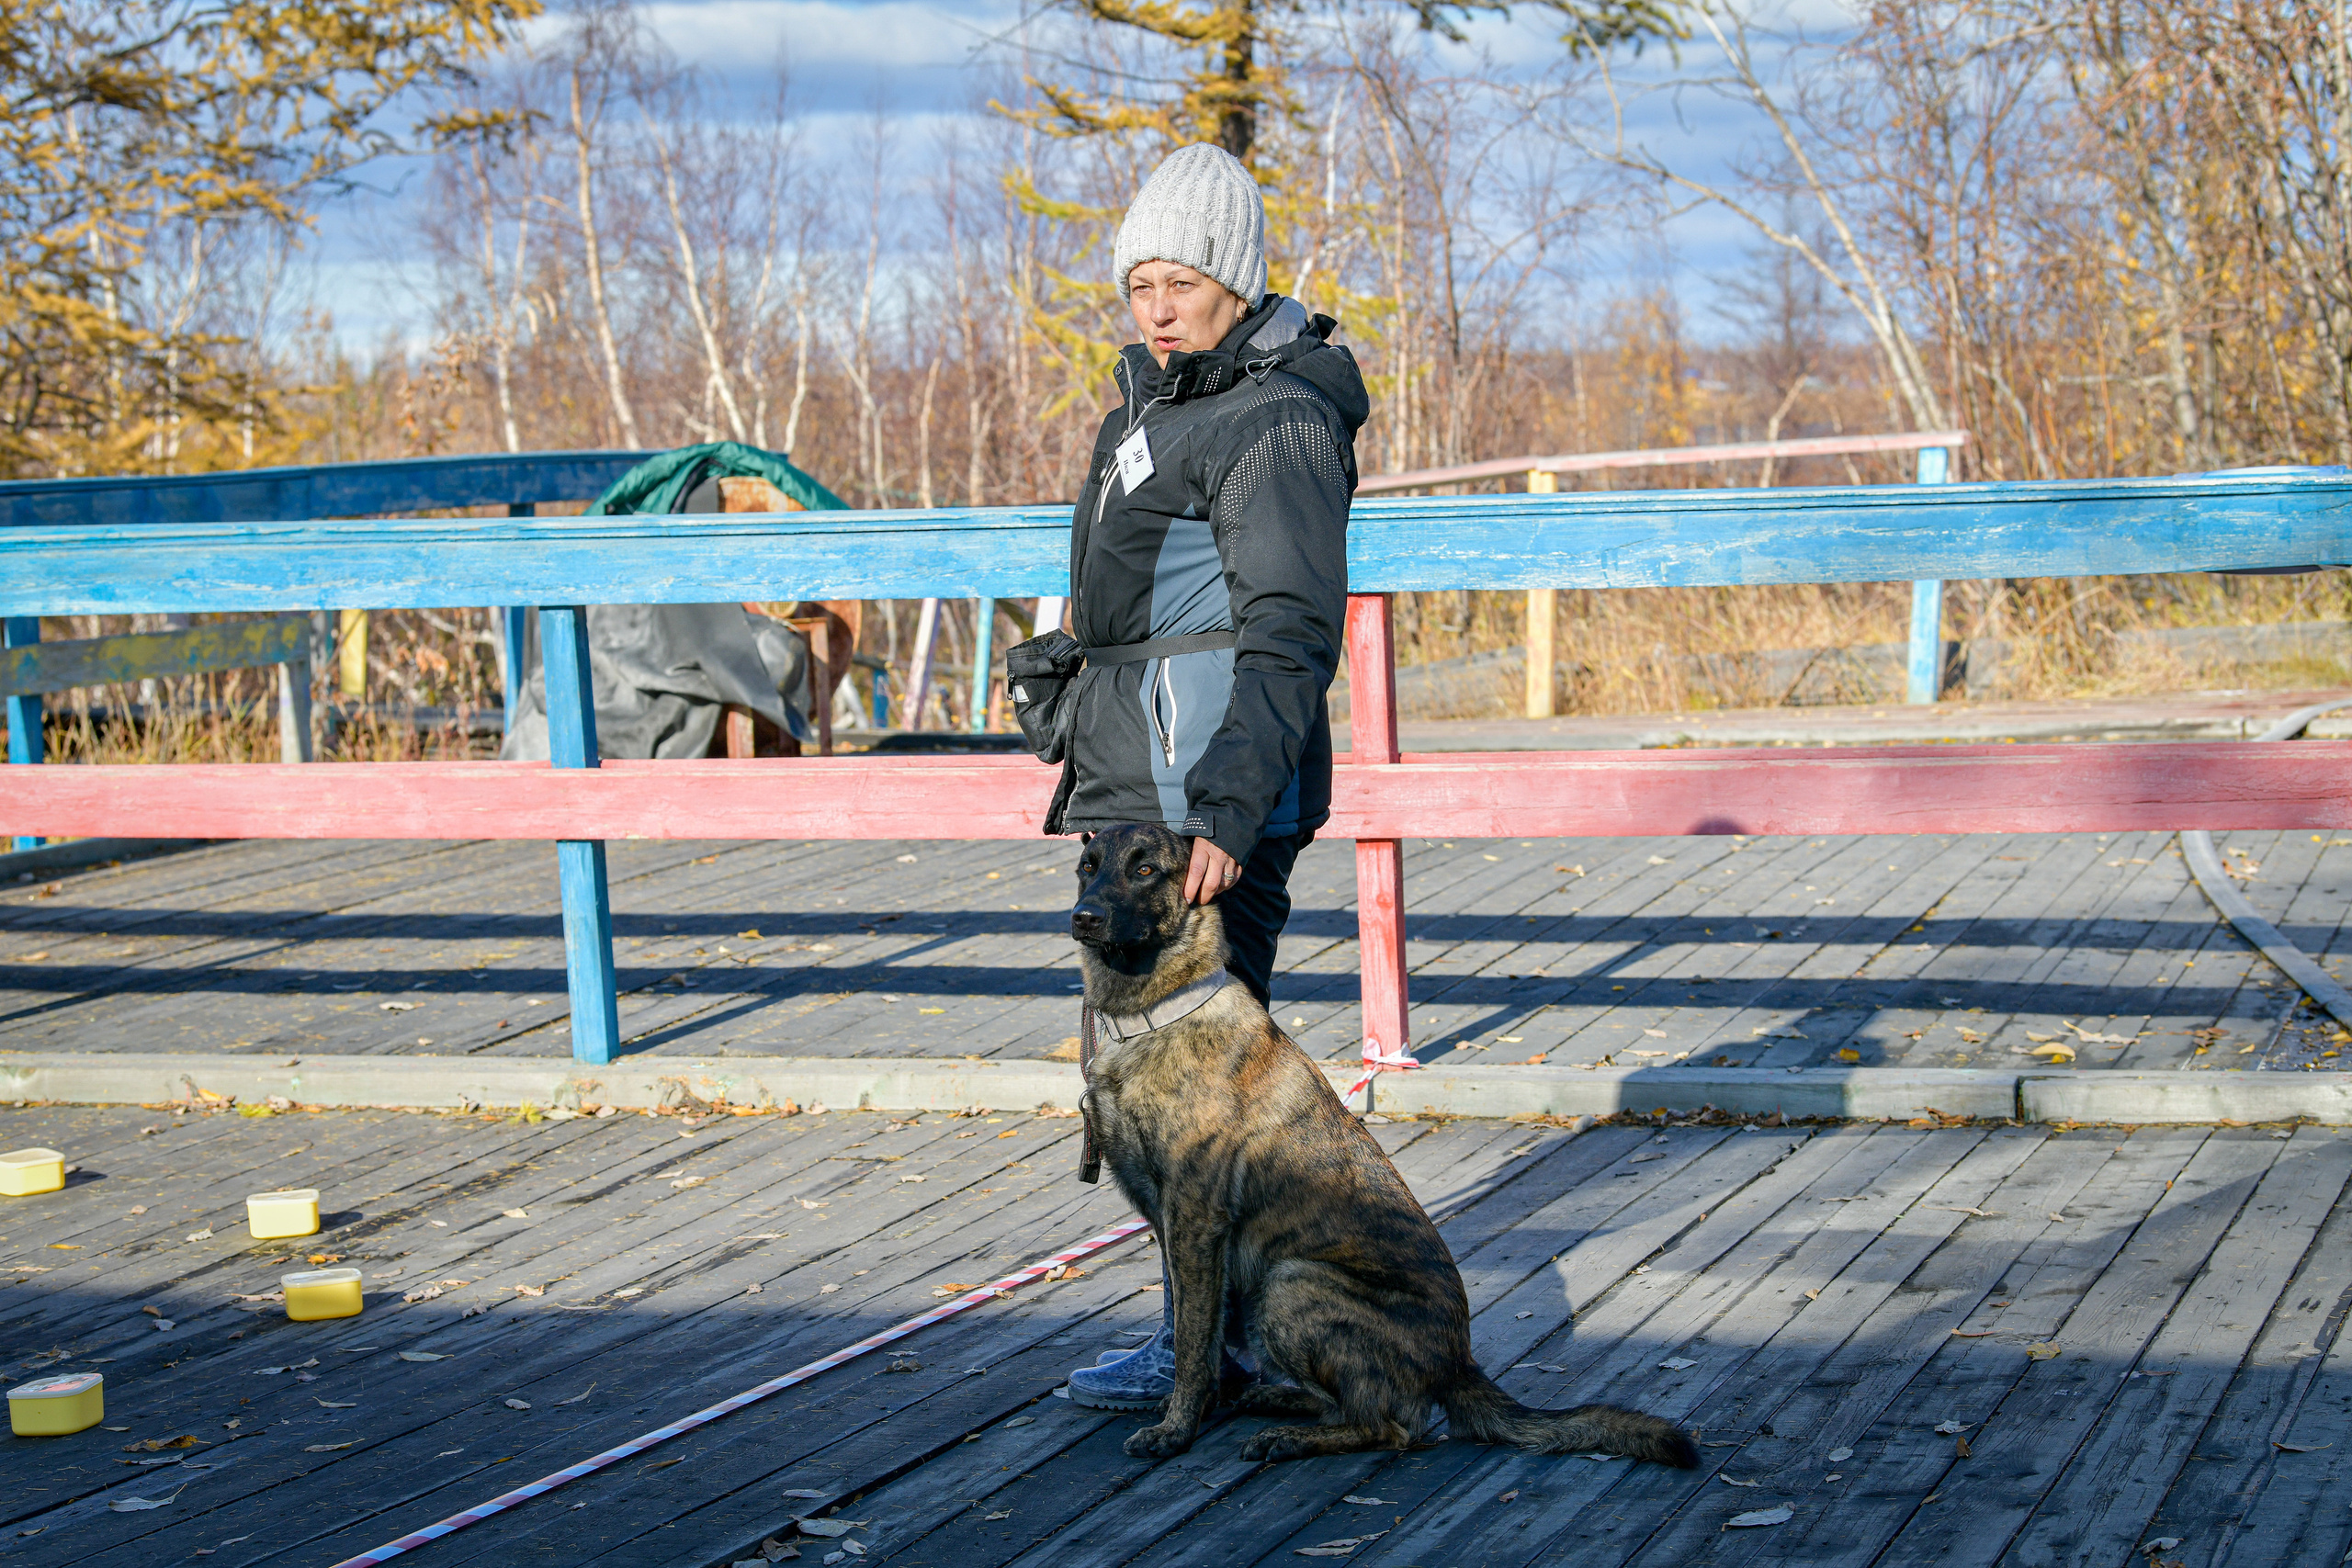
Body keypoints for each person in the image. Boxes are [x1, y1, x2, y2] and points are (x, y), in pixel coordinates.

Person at [1047, 142, 1369, 1411]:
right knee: (1153, 1089)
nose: (1158, 308)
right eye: (1140, 286)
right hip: (1143, 787)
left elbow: (1288, 631)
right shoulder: (1156, 405)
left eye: (1181, 282)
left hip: (1212, 799)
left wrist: (1229, 812)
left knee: (1202, 1106)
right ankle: (1214, 1342)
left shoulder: (1276, 419)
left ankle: (1219, 1352)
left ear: (1236, 280)